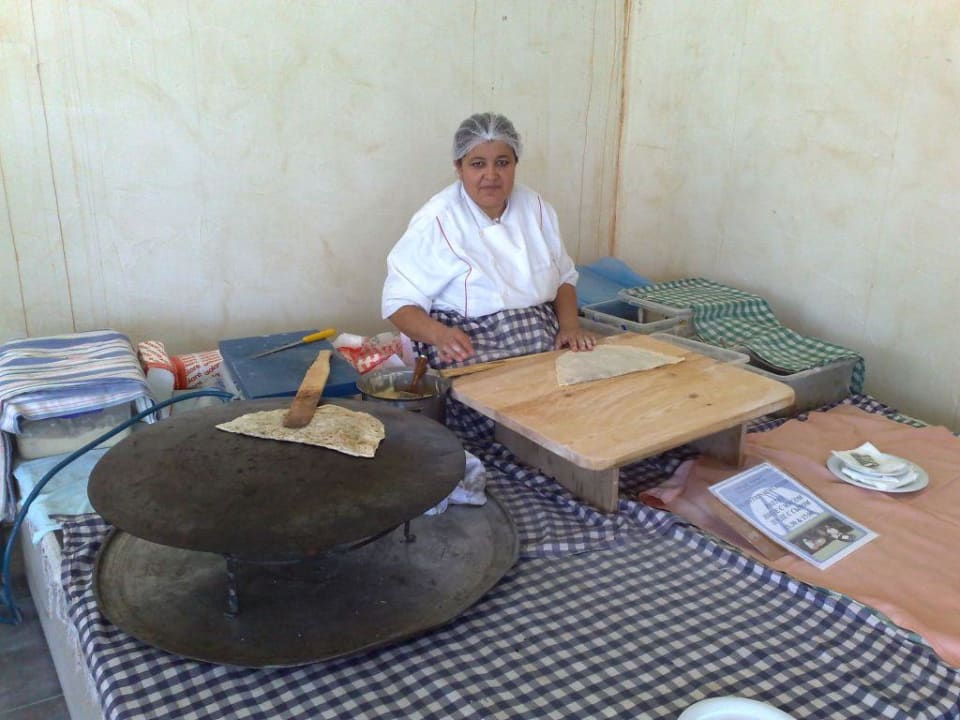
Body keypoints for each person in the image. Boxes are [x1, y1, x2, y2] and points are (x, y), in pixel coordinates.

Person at [381, 112, 594, 447]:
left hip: (543, 342)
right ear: (459, 167)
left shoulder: (537, 208)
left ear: (516, 164)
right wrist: (440, 335)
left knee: (589, 405)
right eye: (477, 164)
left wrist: (569, 326)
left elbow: (564, 277)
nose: (491, 176)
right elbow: (399, 302)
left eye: (502, 163)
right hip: (473, 347)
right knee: (512, 426)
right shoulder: (438, 219)